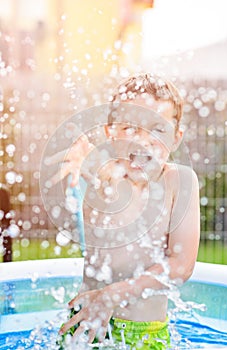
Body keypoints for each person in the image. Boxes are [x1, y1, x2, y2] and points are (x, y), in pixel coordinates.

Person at [54, 73, 200, 349]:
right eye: (130, 128)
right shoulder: (104, 177)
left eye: (157, 130)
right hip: (88, 326)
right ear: (110, 132)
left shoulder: (180, 182)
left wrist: (110, 296)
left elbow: (180, 266)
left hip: (146, 334)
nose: (142, 141)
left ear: (176, 137)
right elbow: (79, 155)